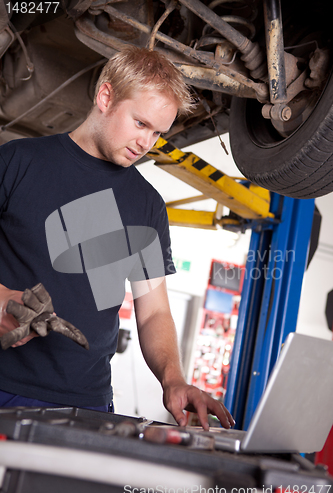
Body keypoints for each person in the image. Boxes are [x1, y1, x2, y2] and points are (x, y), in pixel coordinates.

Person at [0, 46, 234, 430]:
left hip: (86, 403)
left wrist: (173, 378)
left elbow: (154, 311)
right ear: (105, 97)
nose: (147, 143)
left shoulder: (147, 205)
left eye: (157, 132)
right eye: (141, 123)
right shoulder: (18, 162)